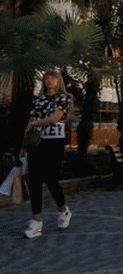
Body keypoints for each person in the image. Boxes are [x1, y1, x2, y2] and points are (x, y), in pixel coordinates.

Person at [22, 70, 73, 239]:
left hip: (54, 143)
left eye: (53, 77)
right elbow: (29, 123)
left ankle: (63, 209)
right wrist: (22, 145)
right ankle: (36, 221)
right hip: (37, 143)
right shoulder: (38, 100)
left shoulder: (64, 98)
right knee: (34, 179)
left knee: (51, 178)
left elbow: (54, 118)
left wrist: (35, 123)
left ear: (59, 81)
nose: (49, 80)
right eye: (46, 77)